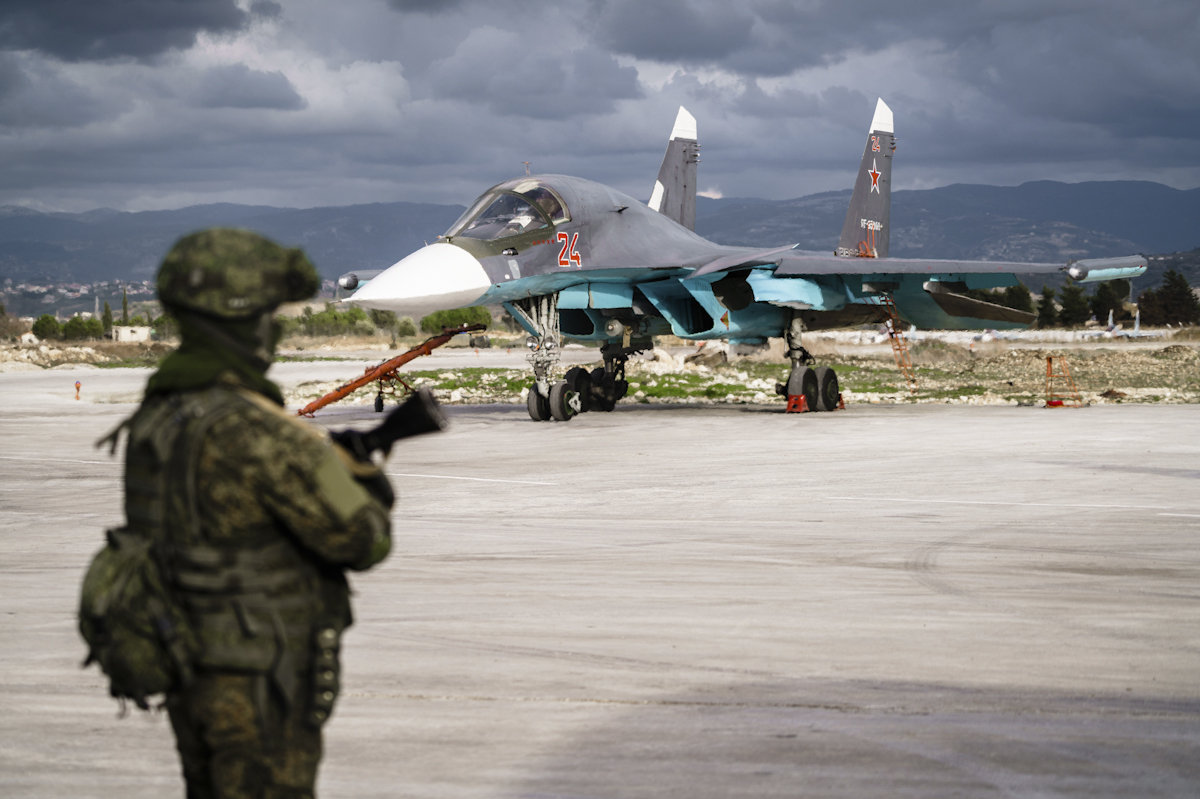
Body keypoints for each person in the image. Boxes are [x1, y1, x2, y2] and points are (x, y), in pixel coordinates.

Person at [123, 228, 393, 798]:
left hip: (185, 663)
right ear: (242, 319)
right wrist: (362, 478)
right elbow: (363, 540)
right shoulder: (257, 431)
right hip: (258, 681)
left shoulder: (158, 415)